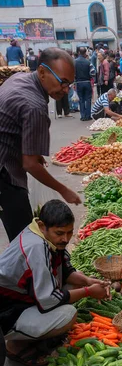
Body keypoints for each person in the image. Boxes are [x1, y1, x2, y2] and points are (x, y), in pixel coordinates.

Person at [0, 200, 111, 366]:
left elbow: (65, 272)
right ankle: (16, 345)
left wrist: (87, 281)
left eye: (69, 233)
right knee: (68, 314)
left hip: (26, 296)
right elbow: (48, 301)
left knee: (77, 281)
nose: (65, 239)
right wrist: (88, 291)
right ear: (43, 226)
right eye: (60, 233)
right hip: (7, 312)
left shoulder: (42, 235)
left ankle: (29, 334)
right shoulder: (36, 248)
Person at [0, 47, 81, 242]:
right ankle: (25, 271)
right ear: (43, 72)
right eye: (62, 82)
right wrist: (63, 189)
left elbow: (11, 124)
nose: (66, 89)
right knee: (25, 240)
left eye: (69, 84)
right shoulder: (34, 105)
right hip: (5, 174)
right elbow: (29, 164)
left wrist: (33, 152)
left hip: (6, 156)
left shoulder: (19, 79)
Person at [75, 47, 93, 121]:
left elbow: (72, 73)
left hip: (79, 83)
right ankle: (88, 115)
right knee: (88, 99)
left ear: (79, 52)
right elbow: (93, 72)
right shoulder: (88, 62)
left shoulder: (74, 62)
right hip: (87, 82)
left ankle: (83, 116)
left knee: (81, 100)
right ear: (85, 52)